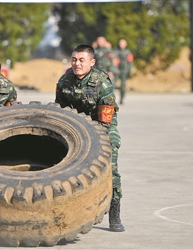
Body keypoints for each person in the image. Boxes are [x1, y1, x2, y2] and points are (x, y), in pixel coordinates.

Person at [55, 44, 124, 232]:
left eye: (81, 60)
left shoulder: (102, 82)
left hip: (102, 128)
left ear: (92, 62)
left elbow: (106, 118)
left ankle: (115, 212)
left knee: (112, 168)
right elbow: (59, 113)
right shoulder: (64, 81)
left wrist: (94, 140)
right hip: (74, 129)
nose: (77, 64)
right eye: (74, 60)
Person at [115, 39, 134, 104]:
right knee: (113, 85)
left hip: (124, 70)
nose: (121, 45)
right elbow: (113, 61)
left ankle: (122, 99)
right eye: (120, 43)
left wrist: (129, 71)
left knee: (123, 86)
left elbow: (130, 62)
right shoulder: (116, 51)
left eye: (123, 44)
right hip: (117, 70)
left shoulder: (128, 52)